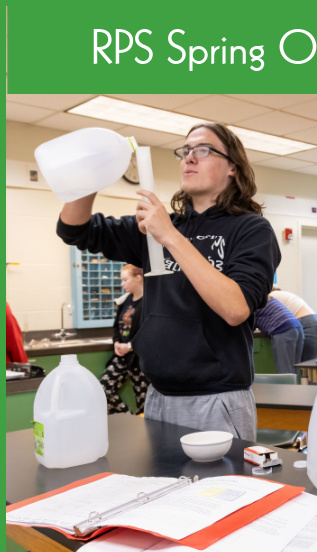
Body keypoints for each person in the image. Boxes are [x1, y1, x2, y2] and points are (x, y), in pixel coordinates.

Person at [57, 122, 280, 441]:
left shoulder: (251, 230)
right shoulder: (156, 228)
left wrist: (169, 236)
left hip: (216, 399)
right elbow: (73, 229)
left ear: (233, 167)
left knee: (218, 490)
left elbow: (235, 308)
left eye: (203, 150)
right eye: (185, 151)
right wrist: (94, 172)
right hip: (158, 396)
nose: (189, 158)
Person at [100, 264, 148, 414]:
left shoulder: (149, 302)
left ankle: (139, 425)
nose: (122, 284)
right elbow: (116, 325)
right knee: (103, 389)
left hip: (139, 358)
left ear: (138, 278)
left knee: (144, 401)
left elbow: (148, 331)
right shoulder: (125, 301)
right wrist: (116, 342)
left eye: (125, 279)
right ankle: (128, 418)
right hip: (122, 356)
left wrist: (130, 346)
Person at [270, 287, 317, 362]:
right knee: (309, 368)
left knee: (303, 367)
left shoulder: (271, 296)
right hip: (316, 324)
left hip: (305, 324)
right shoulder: (283, 294)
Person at [252, 297, 302, 376]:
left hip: (283, 329)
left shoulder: (251, 302)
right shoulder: (268, 298)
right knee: (294, 371)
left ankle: (286, 388)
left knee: (284, 372)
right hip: (297, 327)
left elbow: (248, 324)